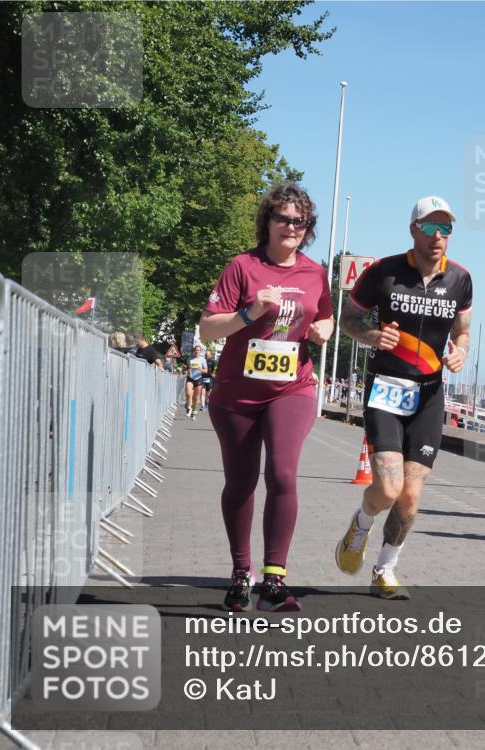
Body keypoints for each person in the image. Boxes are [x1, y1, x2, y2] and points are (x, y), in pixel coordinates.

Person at [199, 182, 334, 612]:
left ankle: (274, 579)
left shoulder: (314, 273)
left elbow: (326, 317)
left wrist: (322, 332)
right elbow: (207, 328)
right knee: (240, 482)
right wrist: (248, 312)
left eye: (301, 221)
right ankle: (242, 573)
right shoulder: (242, 267)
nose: (292, 227)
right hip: (237, 393)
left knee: (282, 473)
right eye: (284, 219)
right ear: (268, 222)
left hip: (292, 388)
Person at [335, 196, 471, 599]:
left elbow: (462, 329)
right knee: (388, 490)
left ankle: (385, 569)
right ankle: (360, 524)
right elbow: (348, 320)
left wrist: (461, 349)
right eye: (430, 227)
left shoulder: (460, 279)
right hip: (386, 389)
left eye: (445, 229)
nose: (438, 237)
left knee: (411, 497)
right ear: (413, 229)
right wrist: (373, 336)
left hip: (429, 394)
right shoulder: (384, 273)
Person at [184, 345, 207, 420]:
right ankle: (189, 407)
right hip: (190, 378)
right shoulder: (190, 359)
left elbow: (206, 371)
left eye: (198, 350)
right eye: (195, 350)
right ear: (193, 351)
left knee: (196, 398)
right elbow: (187, 368)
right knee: (188, 393)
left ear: (200, 351)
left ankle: (193, 412)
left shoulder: (202, 360)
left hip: (198, 379)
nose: (196, 351)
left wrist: (201, 369)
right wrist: (187, 369)